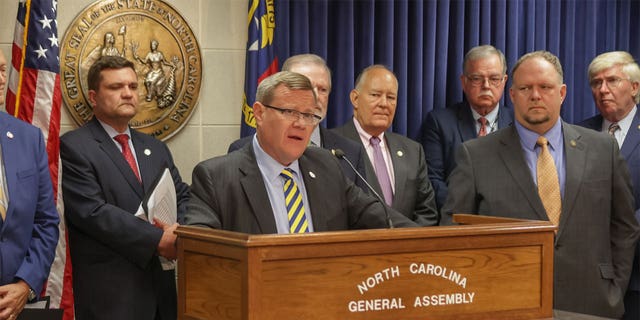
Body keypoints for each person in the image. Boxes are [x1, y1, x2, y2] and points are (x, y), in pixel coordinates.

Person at [442, 50, 640, 318]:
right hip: (507, 303)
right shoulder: (476, 155)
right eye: (525, 88)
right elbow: (453, 234)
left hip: (593, 302)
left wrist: (614, 285)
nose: (535, 95)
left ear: (562, 93)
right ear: (512, 95)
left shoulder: (602, 148)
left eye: (545, 87)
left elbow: (624, 225)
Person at [185, 71, 417, 232]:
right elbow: (201, 247)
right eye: (289, 112)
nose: (301, 124)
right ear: (259, 113)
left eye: (308, 115)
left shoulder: (327, 166)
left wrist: (437, 241)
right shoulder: (216, 177)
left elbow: (380, 217)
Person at [60, 56, 190, 320]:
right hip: (111, 297)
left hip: (161, 295)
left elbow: (182, 195)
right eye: (116, 87)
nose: (128, 93)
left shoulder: (155, 147)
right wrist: (157, 240)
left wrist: (183, 232)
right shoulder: (74, 146)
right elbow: (91, 212)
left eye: (133, 86)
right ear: (94, 97)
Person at [228, 54, 368, 190]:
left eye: (323, 89)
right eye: (304, 87)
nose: (315, 97)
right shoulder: (240, 150)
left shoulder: (349, 153)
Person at [332, 65, 438, 226]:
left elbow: (427, 212)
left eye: (391, 97)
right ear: (355, 98)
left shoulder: (412, 151)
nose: (384, 104)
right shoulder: (332, 146)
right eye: (375, 95)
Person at [578, 51, 640, 320]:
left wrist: (620, 229)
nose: (602, 90)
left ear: (635, 87)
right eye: (595, 83)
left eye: (612, 80)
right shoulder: (578, 133)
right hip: (587, 270)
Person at [0, 49, 59, 320]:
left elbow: (45, 221)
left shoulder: (27, 138)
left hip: (15, 304)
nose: (2, 79)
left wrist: (26, 284)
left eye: (2, 70)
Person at [420, 45, 513, 209]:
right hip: (457, 220)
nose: (486, 85)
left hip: (508, 221)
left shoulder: (518, 123)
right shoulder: (439, 122)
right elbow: (432, 180)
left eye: (494, 79)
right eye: (477, 78)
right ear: (464, 82)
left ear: (504, 81)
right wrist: (470, 213)